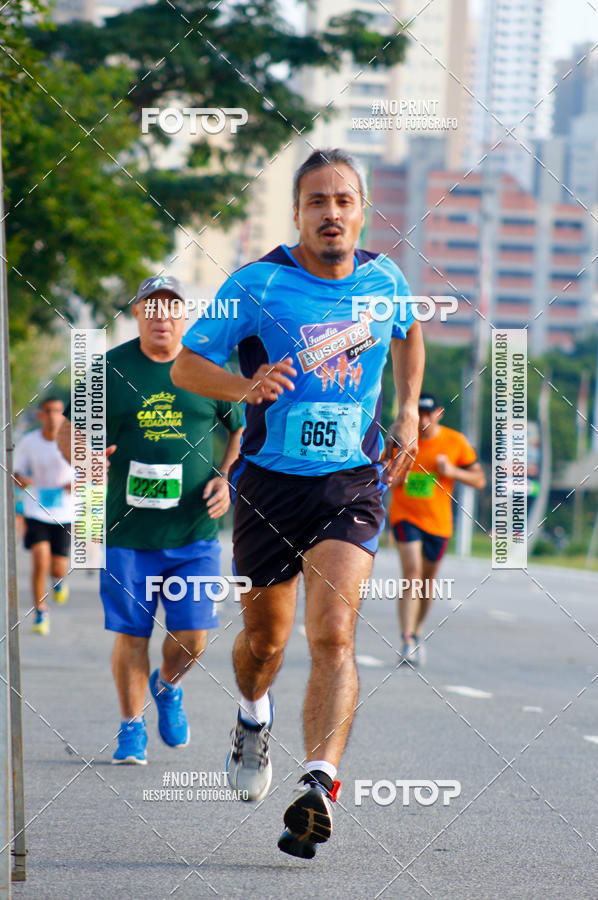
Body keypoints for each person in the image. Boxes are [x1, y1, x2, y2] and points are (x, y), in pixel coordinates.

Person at [171, 148, 425, 858]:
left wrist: (406, 412)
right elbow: (188, 361)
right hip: (268, 485)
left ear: (362, 210)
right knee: (264, 645)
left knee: (335, 635)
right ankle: (253, 720)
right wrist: (243, 388)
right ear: (297, 213)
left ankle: (319, 784)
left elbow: (409, 332)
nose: (332, 213)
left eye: (344, 200)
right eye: (317, 201)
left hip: (350, 480)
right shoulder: (256, 285)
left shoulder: (385, 279)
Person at [58, 275, 243, 765]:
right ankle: (130, 727)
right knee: (132, 634)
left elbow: (239, 434)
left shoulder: (208, 369)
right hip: (126, 533)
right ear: (136, 313)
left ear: (186, 316)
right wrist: (85, 457)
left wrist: (227, 478)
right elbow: (69, 433)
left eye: (171, 308)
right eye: (151, 307)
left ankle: (168, 685)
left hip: (194, 532)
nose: (161, 316)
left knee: (194, 639)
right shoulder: (107, 371)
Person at [389, 393, 486, 665]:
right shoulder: (403, 438)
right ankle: (406, 638)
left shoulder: (455, 442)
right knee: (412, 573)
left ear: (438, 413)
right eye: (417, 412)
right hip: (405, 516)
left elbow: (479, 480)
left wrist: (452, 472)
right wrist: (395, 476)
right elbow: (384, 472)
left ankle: (417, 630)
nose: (422, 418)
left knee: (427, 583)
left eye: (427, 413)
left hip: (438, 522)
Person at [14, 397, 73, 635]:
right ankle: (40, 610)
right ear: (40, 415)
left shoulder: (73, 442)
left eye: (58, 411)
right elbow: (16, 473)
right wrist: (22, 480)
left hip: (64, 511)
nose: (52, 416)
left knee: (58, 567)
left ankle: (58, 581)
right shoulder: (29, 442)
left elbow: (87, 471)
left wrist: (75, 484)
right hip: (36, 508)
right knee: (40, 557)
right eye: (48, 411)